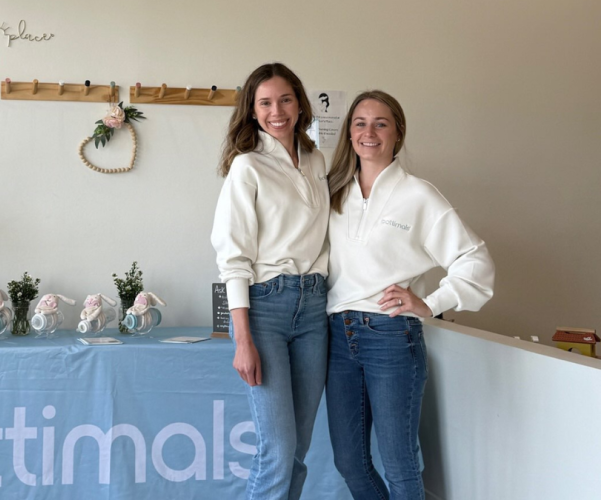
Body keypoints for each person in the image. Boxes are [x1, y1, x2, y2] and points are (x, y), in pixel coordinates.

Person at [325, 90, 495, 499]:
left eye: (381, 123)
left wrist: (430, 303)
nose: (370, 132)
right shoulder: (333, 193)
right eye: (360, 123)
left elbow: (477, 260)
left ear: (398, 133)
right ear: (349, 133)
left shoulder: (418, 195)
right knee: (349, 462)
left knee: (399, 465)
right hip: (337, 337)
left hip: (390, 337)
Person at [211, 62, 329, 499]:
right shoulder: (248, 166)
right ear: (252, 110)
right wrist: (242, 340)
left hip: (315, 310)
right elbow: (233, 259)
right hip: (267, 310)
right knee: (277, 448)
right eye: (265, 103)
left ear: (299, 104)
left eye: (284, 99)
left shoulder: (317, 160)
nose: (276, 110)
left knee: (298, 448)